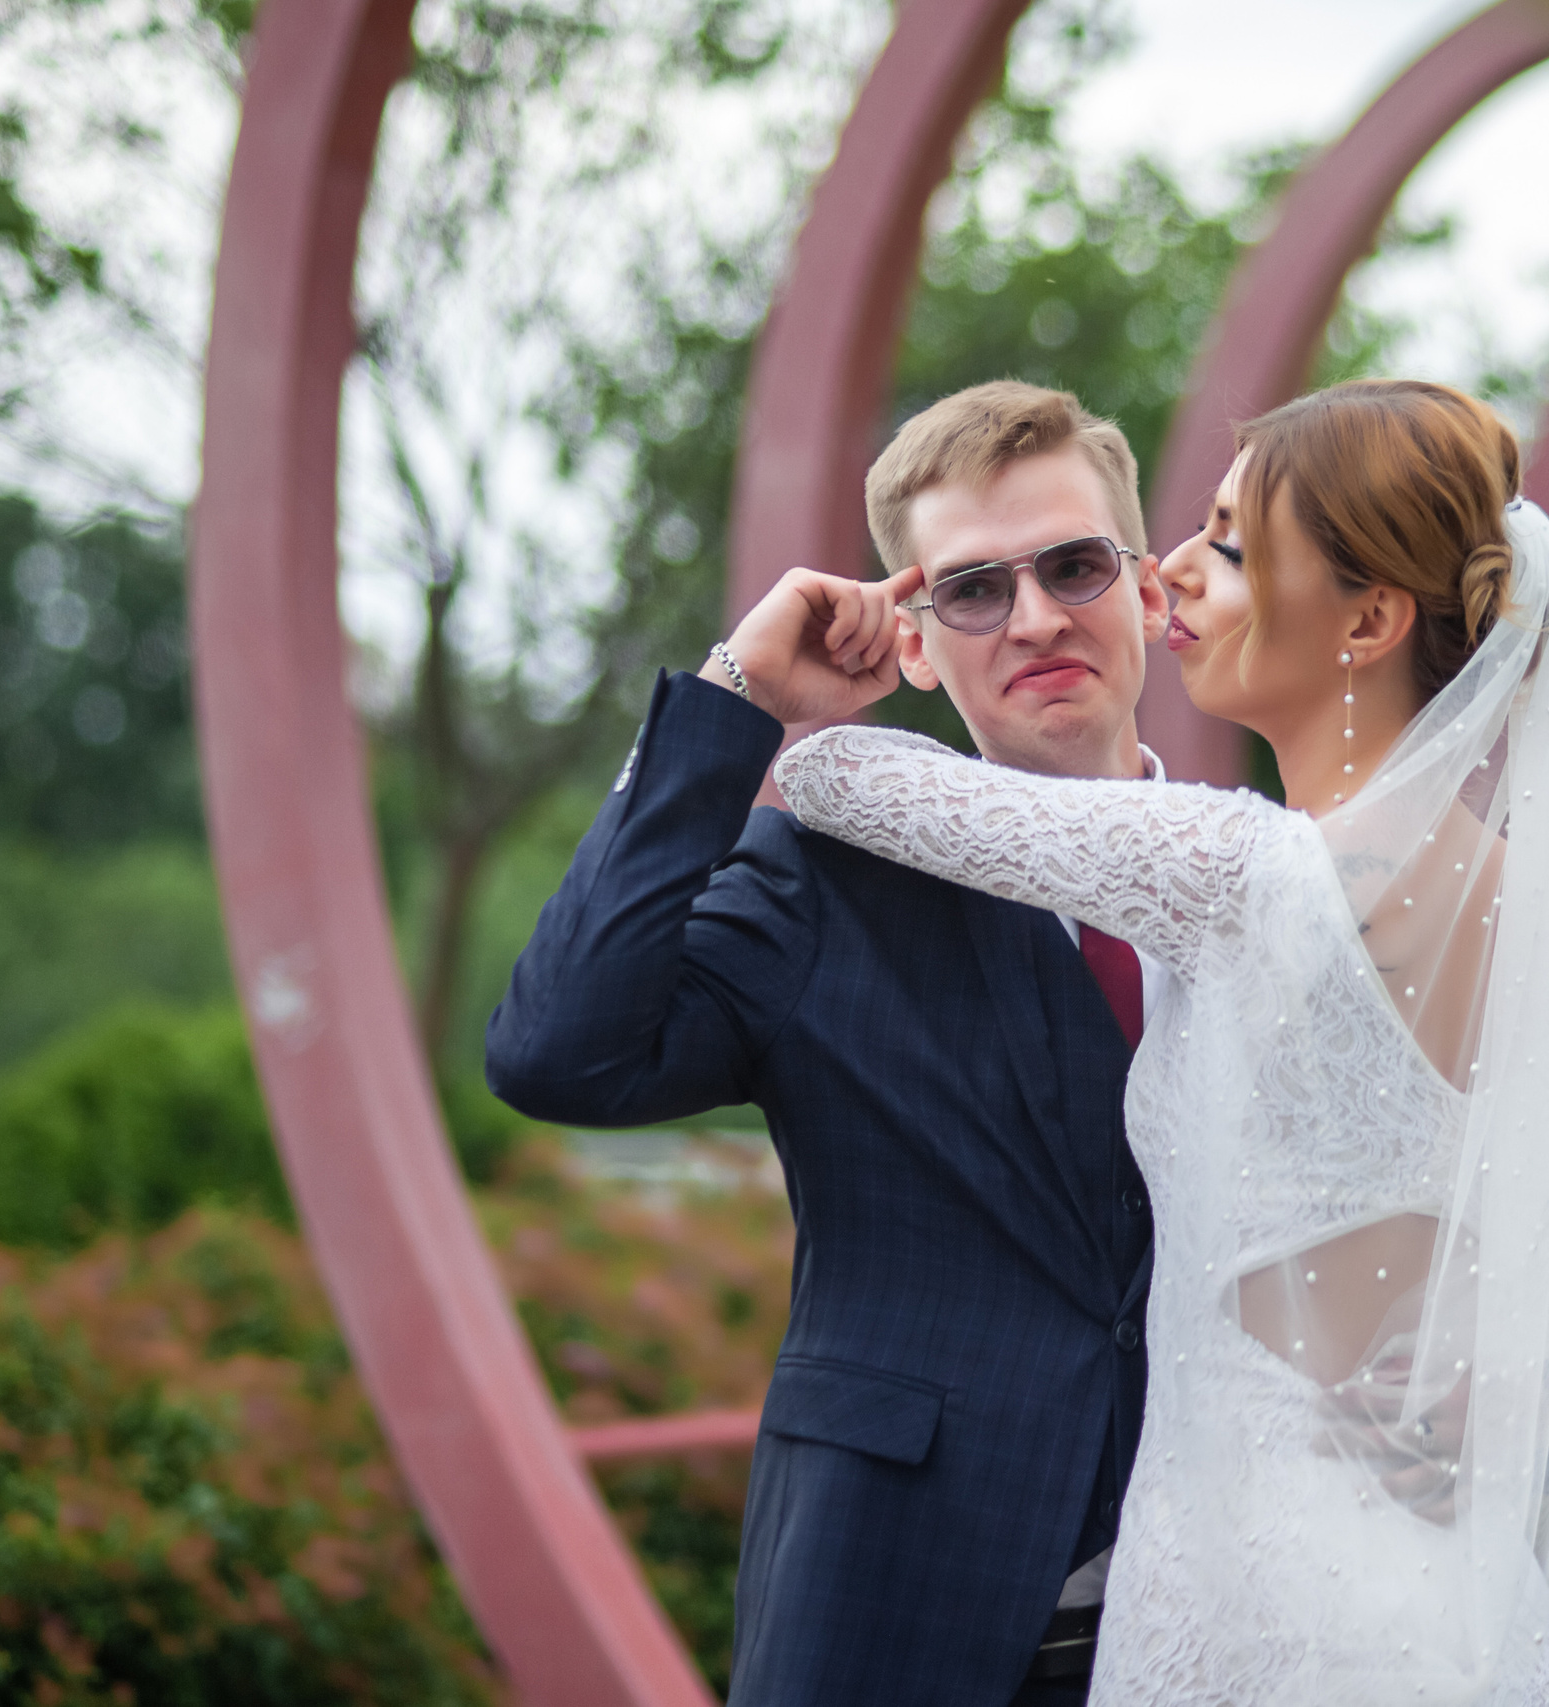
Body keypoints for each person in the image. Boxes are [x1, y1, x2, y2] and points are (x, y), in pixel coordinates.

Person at [769, 379, 1549, 1704]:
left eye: (1228, 545)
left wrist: (868, 636)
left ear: (1367, 619)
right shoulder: (1513, 895)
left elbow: (837, 774)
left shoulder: (1245, 875)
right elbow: (1397, 1243)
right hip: (1433, 1591)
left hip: (1264, 1596)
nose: (1168, 569)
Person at [486, 381, 1180, 1705]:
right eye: (973, 589)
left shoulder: (1271, 884)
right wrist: (738, 698)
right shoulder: (826, 878)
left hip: (1215, 1618)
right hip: (896, 1599)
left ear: (1144, 593)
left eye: (1074, 565)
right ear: (915, 645)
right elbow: (556, 1051)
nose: (1033, 617)